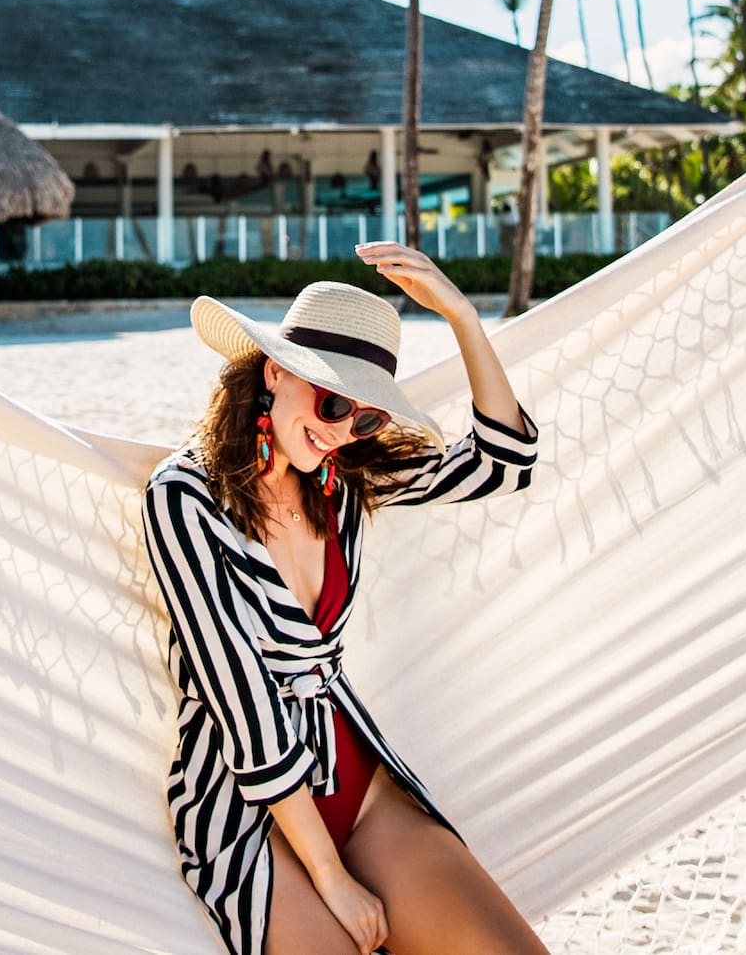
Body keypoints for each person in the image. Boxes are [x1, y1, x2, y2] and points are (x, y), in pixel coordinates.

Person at [142, 242, 549, 955]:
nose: (338, 430)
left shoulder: (345, 478)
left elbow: (503, 464)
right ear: (276, 370)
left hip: (354, 778)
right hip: (245, 812)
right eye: (333, 400)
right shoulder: (184, 498)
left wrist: (461, 316)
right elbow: (247, 709)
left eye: (365, 419)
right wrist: (329, 875)